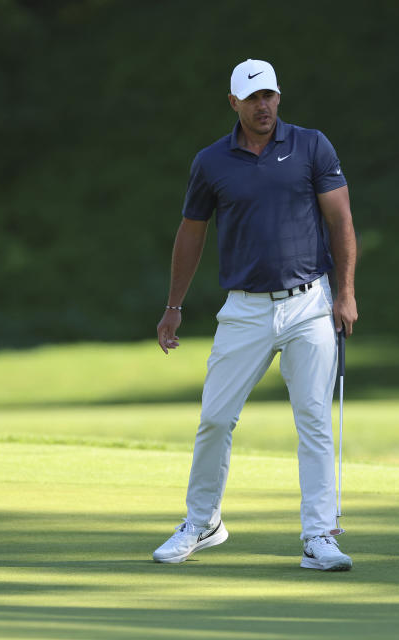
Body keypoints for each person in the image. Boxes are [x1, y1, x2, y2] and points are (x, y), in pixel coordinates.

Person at [152, 59, 359, 571]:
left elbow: (341, 219)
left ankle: (319, 536)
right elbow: (192, 233)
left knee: (313, 419)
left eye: (269, 95)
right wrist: (173, 306)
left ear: (278, 97)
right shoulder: (211, 162)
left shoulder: (312, 145)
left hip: (310, 302)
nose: (262, 105)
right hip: (244, 308)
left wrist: (346, 292)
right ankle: (203, 522)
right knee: (215, 419)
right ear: (234, 104)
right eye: (252, 98)